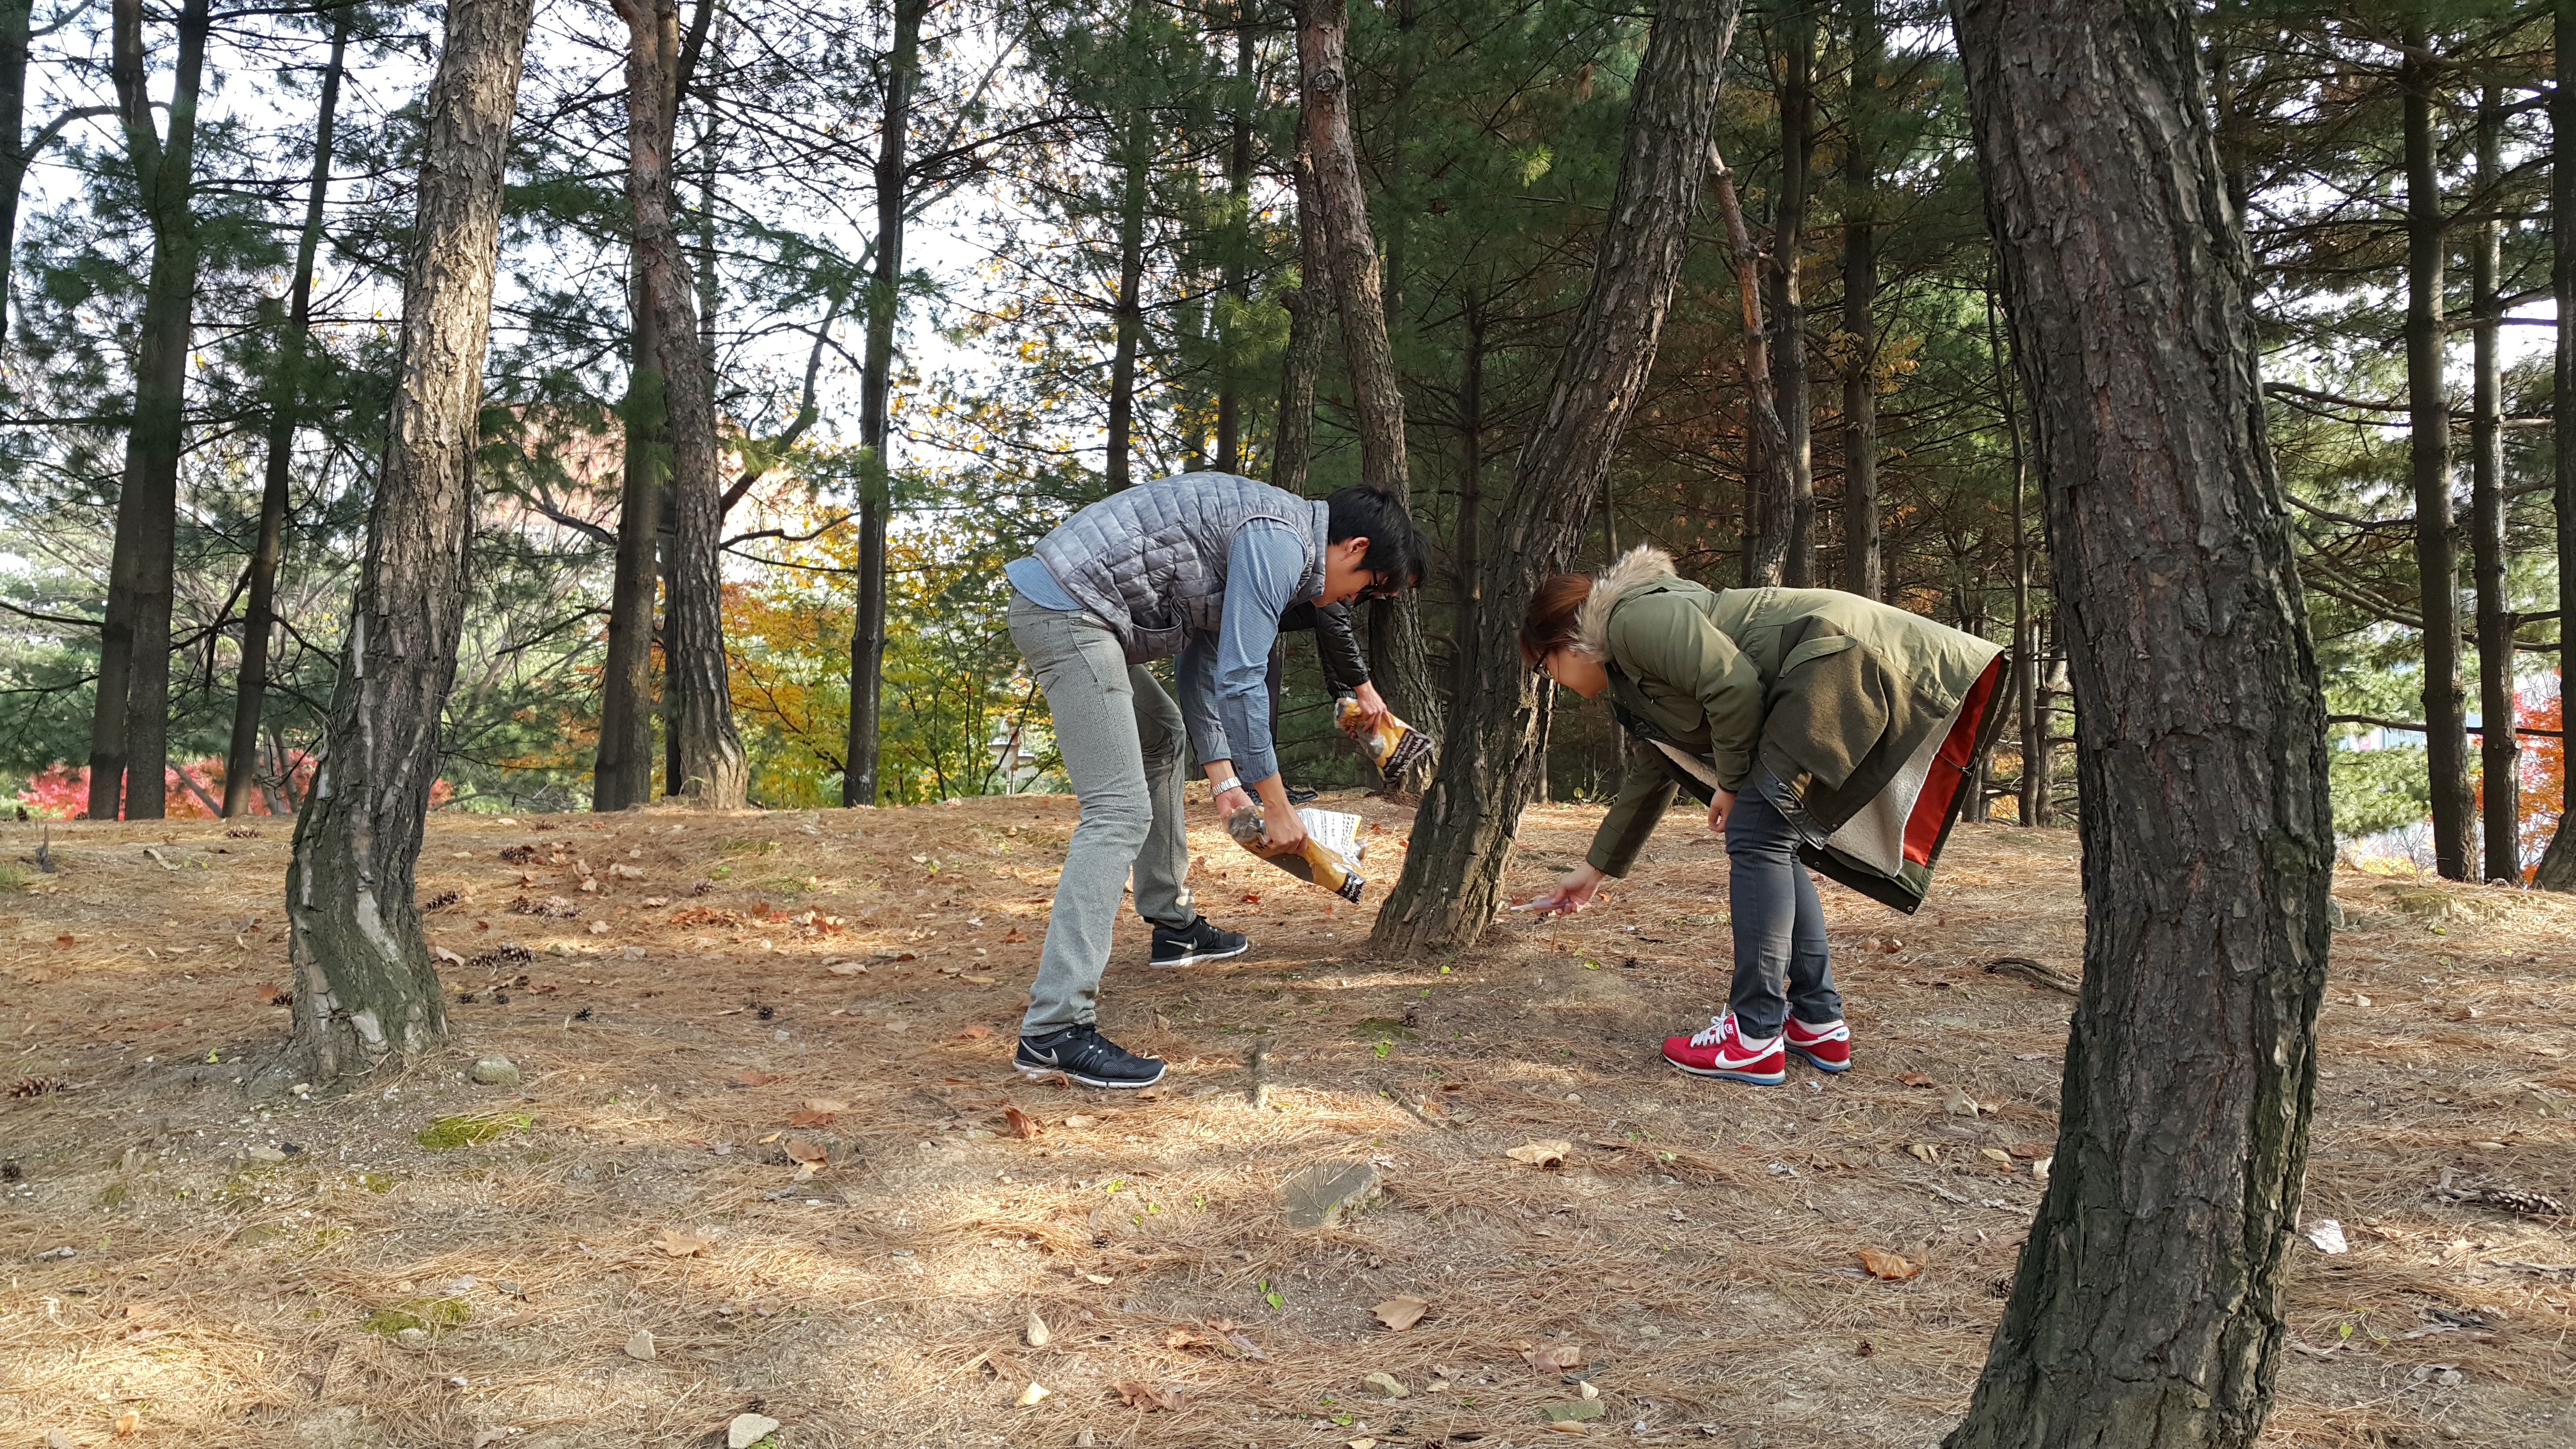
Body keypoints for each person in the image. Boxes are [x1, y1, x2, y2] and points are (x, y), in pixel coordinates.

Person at [1517, 546, 2005, 1085]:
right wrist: (1592, 871)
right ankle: (1816, 1020)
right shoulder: (1630, 681)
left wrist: (1729, 784)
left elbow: (1733, 687)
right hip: (1826, 672)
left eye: (1544, 670)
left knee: (1757, 837)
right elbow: (1655, 770)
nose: (1552, 684)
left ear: (1566, 642)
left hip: (1838, 662)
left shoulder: (1632, 618)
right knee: (1771, 841)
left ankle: (1752, 1034)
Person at [1002, 473, 1424, 1089]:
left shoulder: (1279, 539)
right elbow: (1241, 677)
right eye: (1364, 590)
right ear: (1354, 549)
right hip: (1069, 612)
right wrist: (1276, 805)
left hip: (1079, 610)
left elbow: (1203, 657)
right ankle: (1053, 1030)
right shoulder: (1281, 543)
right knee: (1117, 813)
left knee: (1163, 737)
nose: (1346, 603)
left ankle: (1172, 927)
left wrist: (1225, 779)